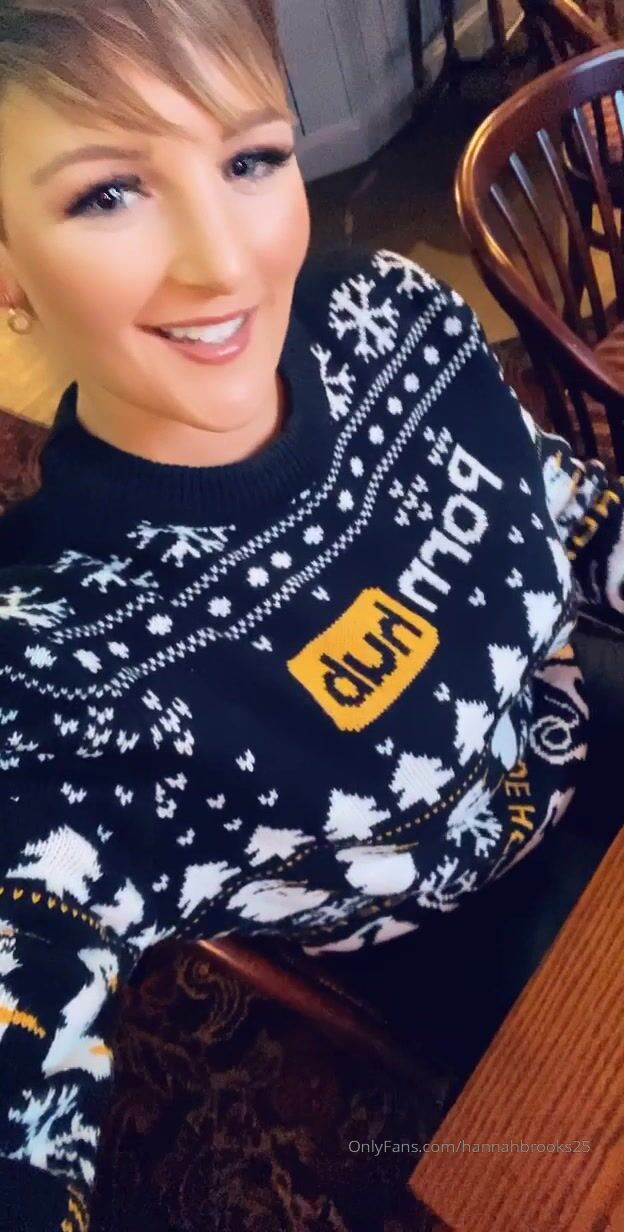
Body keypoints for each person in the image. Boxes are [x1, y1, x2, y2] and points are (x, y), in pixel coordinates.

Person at [0, 0, 623, 1226]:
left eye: (249, 159)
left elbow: (557, 496)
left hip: (584, 722)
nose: (225, 263)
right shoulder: (48, 669)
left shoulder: (392, 309)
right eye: (108, 192)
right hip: (475, 944)